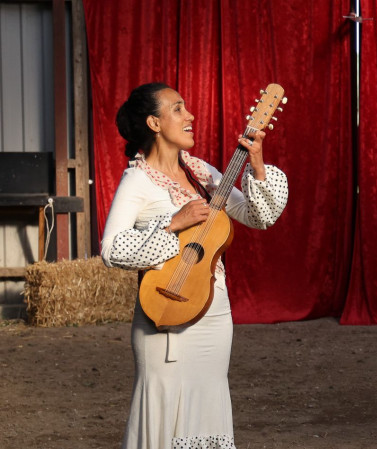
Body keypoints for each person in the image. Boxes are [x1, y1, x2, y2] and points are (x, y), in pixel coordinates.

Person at [101, 82, 288, 449]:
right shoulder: (137, 180)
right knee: (164, 411)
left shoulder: (202, 173)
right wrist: (173, 223)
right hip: (164, 314)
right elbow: (111, 249)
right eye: (178, 109)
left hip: (214, 313)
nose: (190, 116)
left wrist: (257, 163)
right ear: (154, 123)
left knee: (208, 408)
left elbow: (257, 215)